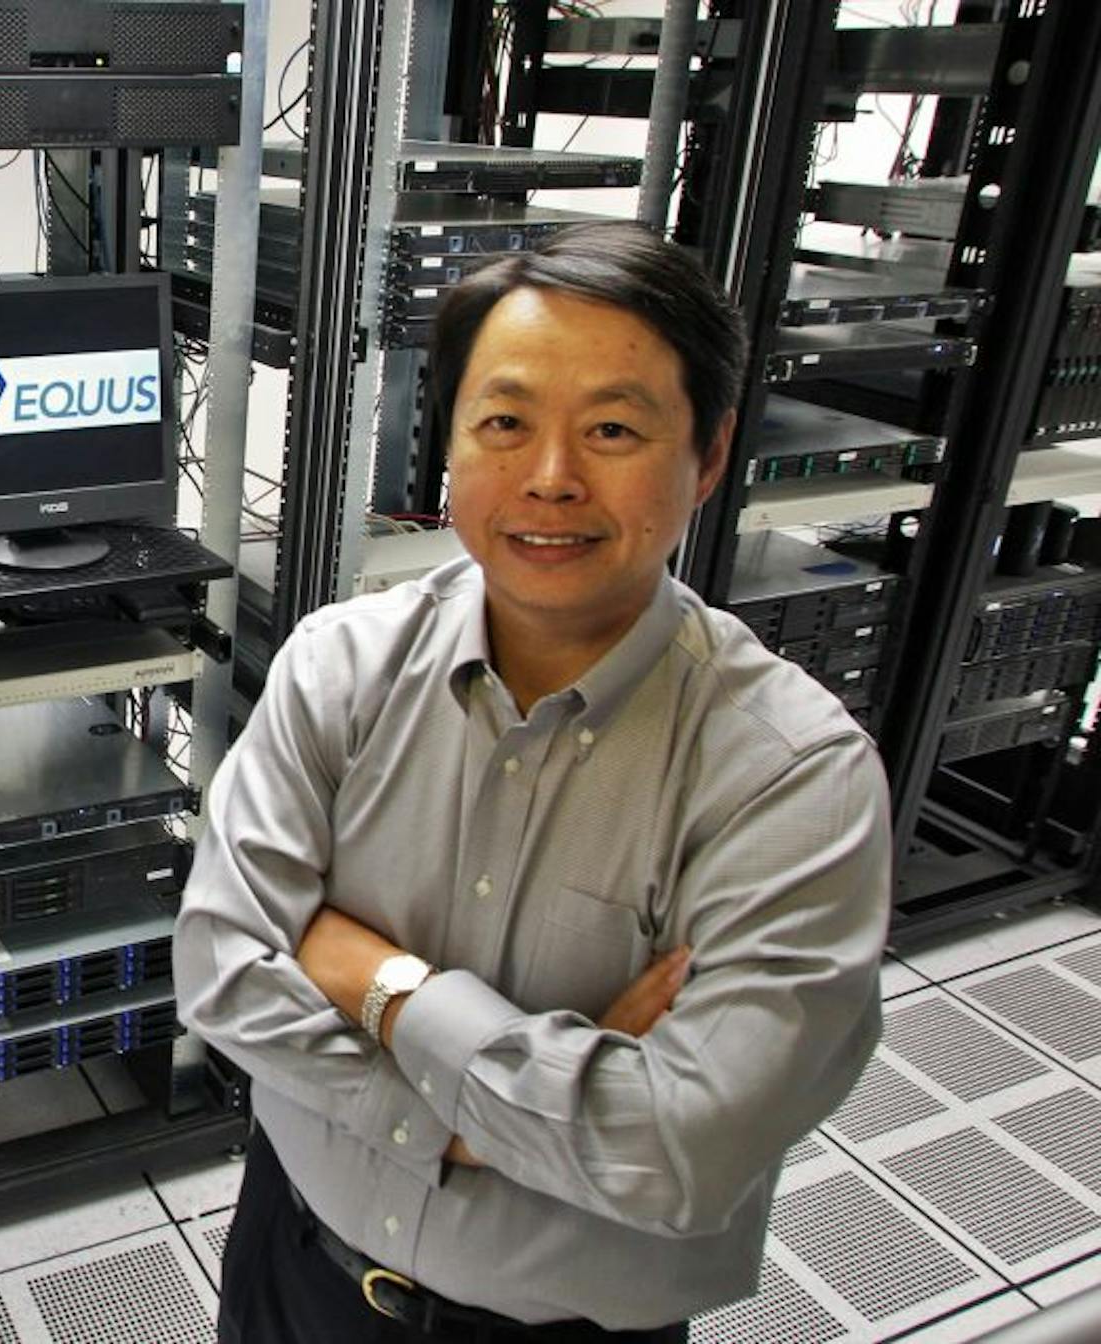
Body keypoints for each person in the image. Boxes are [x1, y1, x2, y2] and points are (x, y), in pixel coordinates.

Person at [174, 222, 890, 1342]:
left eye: (612, 429)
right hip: (293, 1265)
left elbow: (679, 1153)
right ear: (448, 443)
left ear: (708, 456)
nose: (551, 479)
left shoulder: (792, 779)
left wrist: (376, 981)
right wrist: (517, 1106)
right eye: (505, 423)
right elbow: (221, 973)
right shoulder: (339, 667)